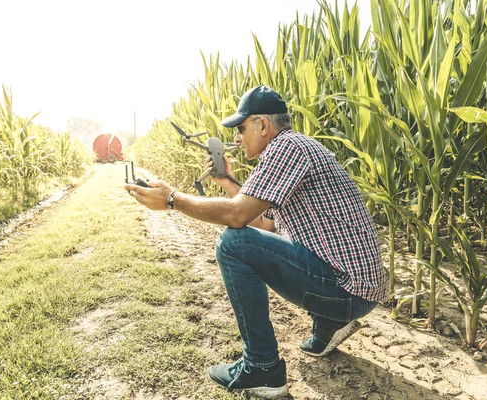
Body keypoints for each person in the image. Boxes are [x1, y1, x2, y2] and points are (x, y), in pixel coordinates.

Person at [124, 85, 387, 399]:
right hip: (358, 289)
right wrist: (227, 182)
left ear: (263, 125)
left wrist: (172, 199)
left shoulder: (286, 147)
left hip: (345, 289)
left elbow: (238, 219)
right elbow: (265, 224)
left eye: (240, 128)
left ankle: (262, 367)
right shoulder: (296, 148)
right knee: (253, 241)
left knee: (233, 244)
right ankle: (330, 324)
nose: (236, 138)